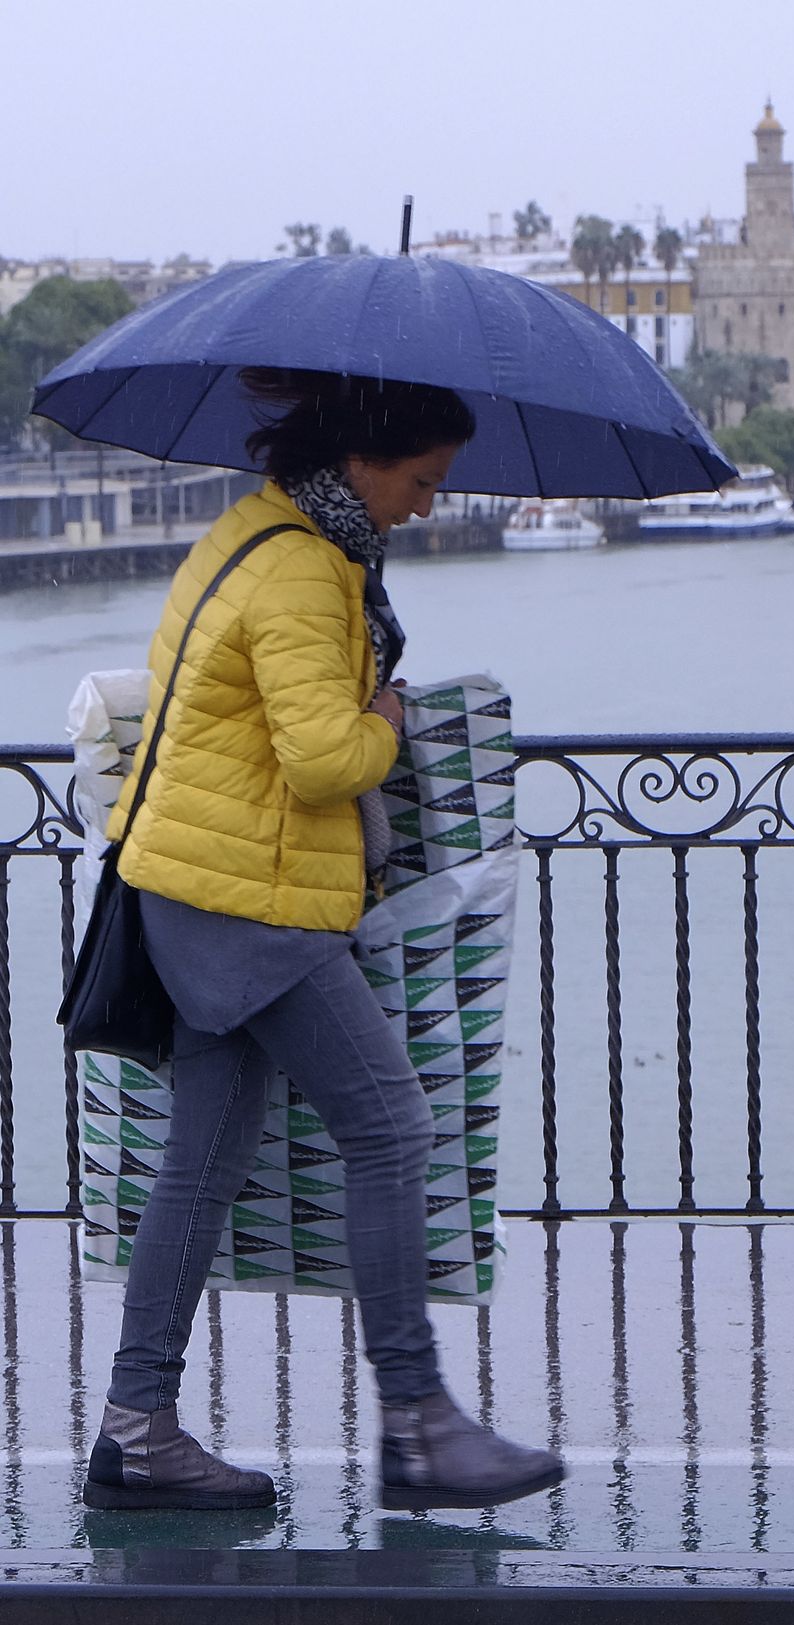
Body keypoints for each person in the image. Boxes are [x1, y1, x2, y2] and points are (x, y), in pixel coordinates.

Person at [82, 370, 563, 1512]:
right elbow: (319, 760)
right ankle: (417, 1426)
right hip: (250, 899)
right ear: (361, 458)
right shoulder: (304, 567)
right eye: (421, 479)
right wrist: (383, 723)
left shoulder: (257, 529)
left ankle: (135, 1429)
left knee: (199, 1163)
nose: (428, 504)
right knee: (392, 1125)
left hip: (190, 881)